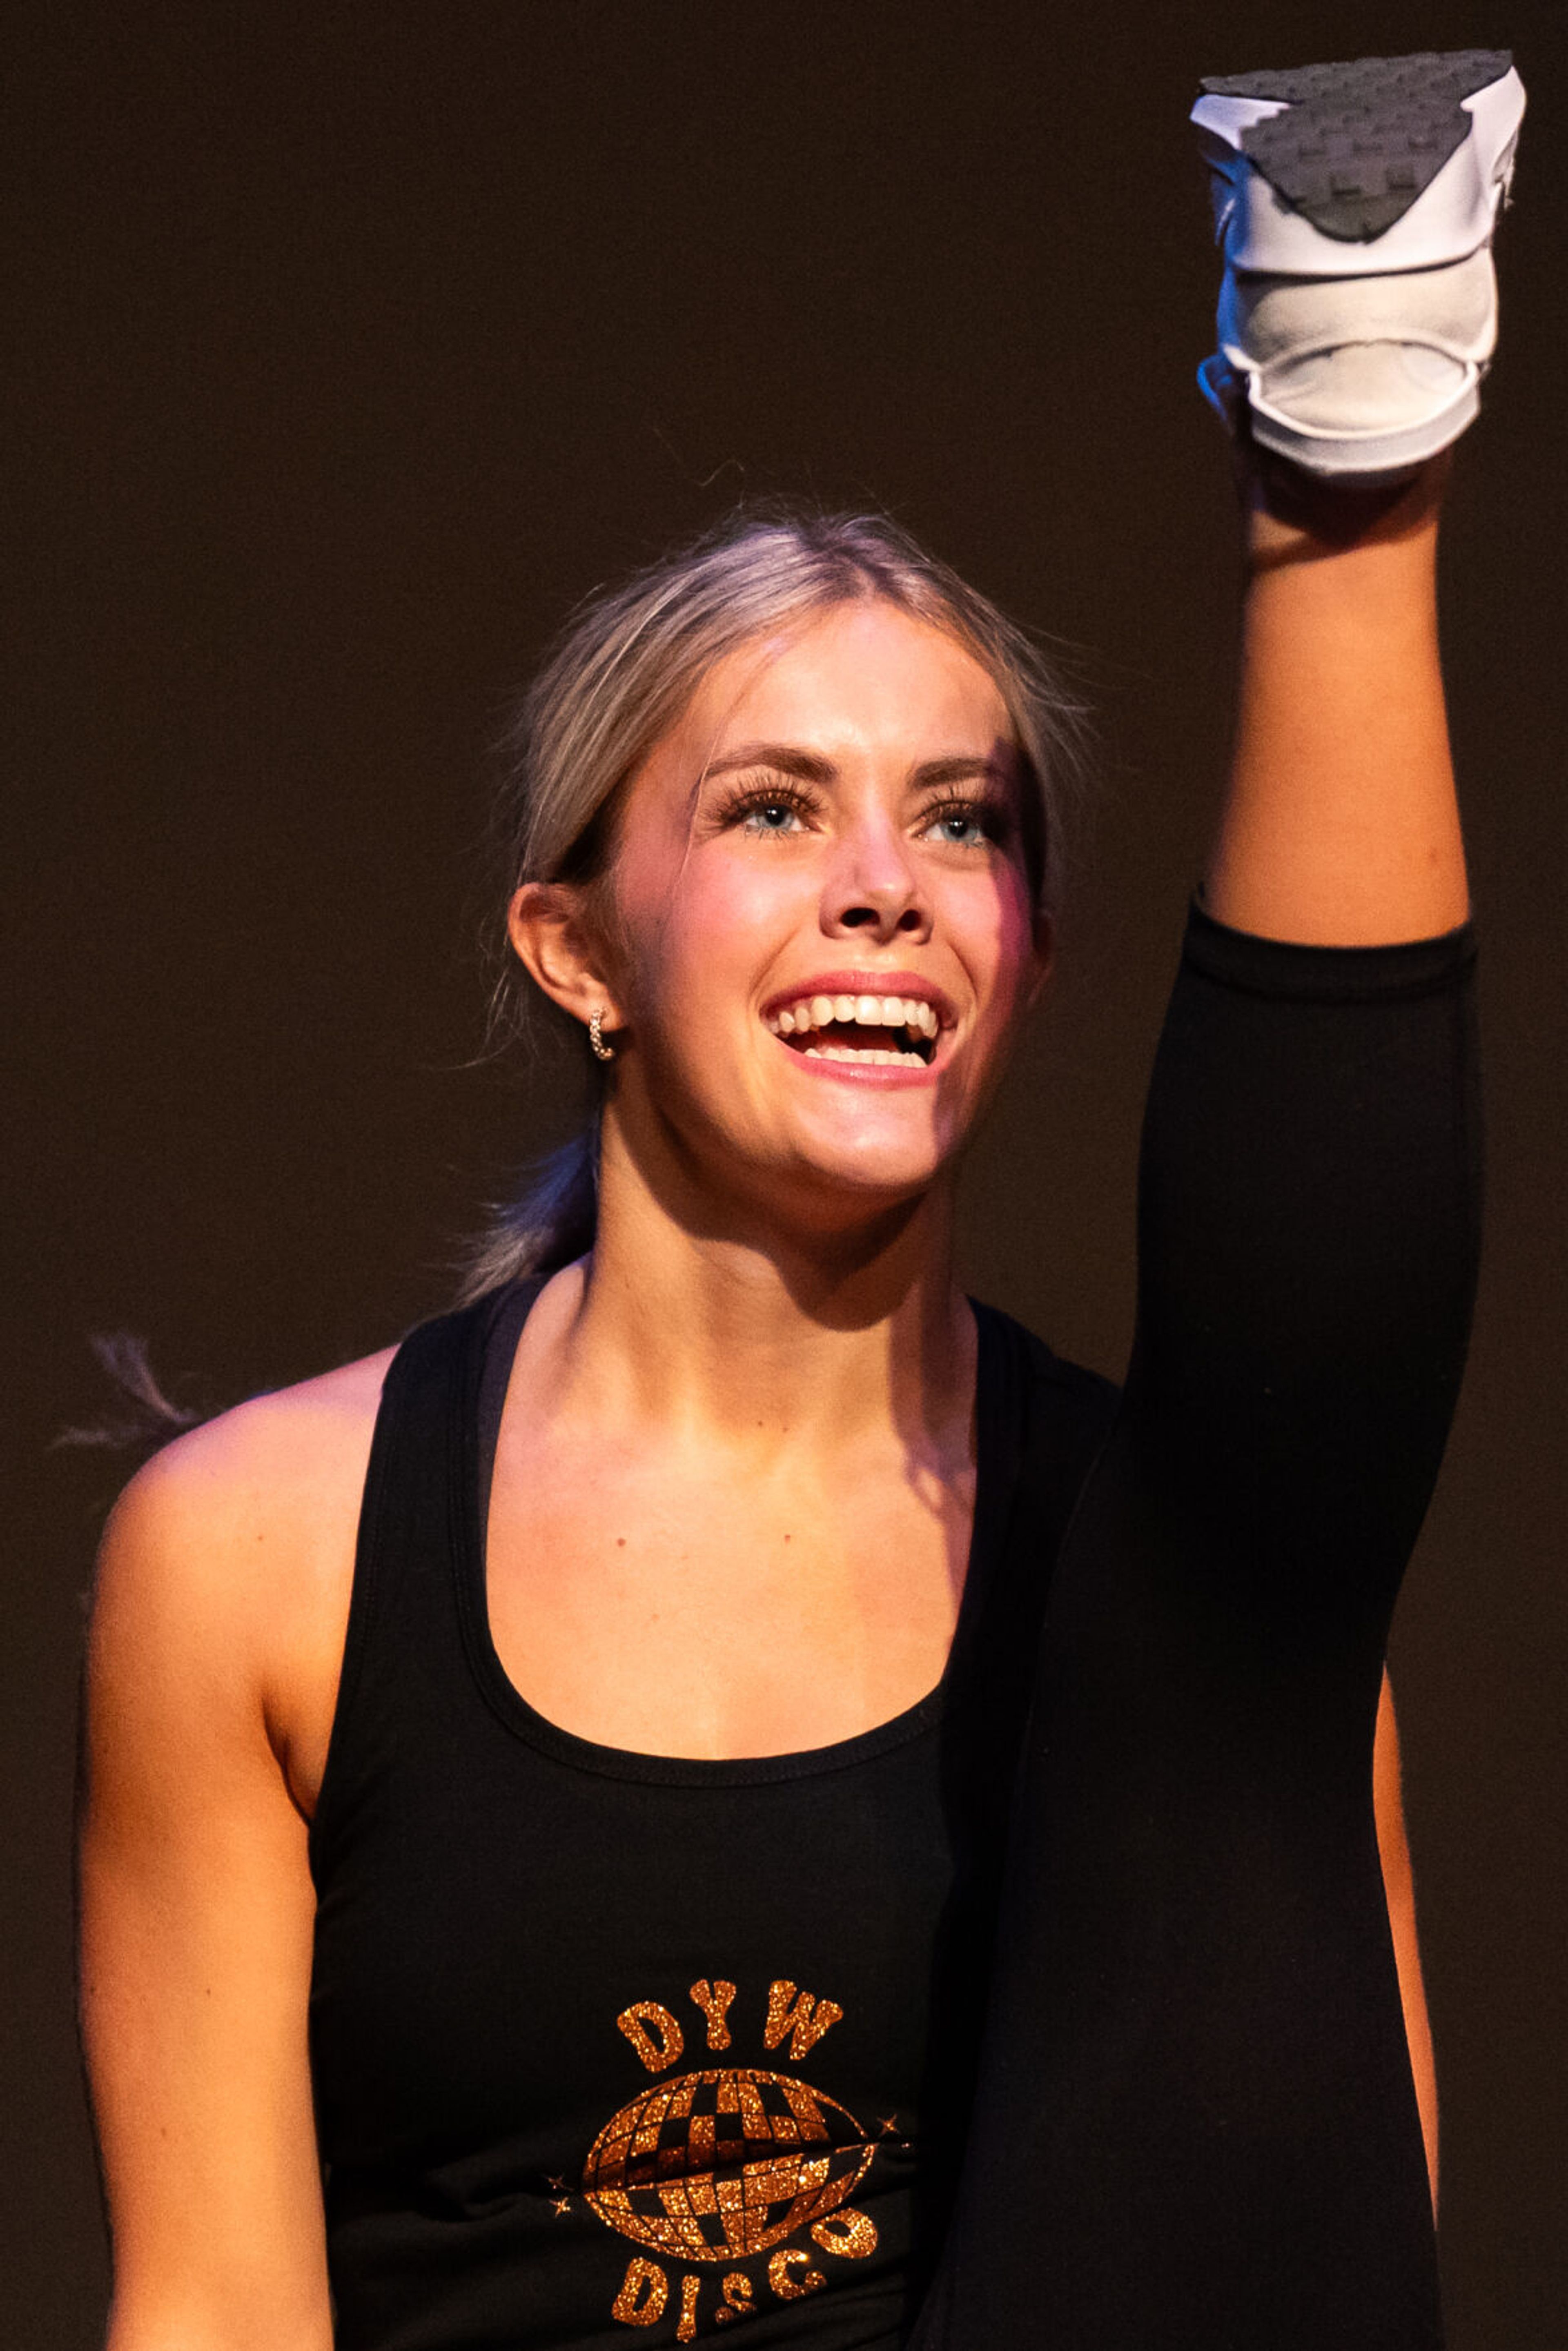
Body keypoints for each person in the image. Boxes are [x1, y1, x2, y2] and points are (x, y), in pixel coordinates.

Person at [76, 49, 1523, 2351]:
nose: (887, 892)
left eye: (964, 826)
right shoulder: (257, 1559)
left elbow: (1320, 2230)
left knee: (1241, 1586)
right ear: (578, 955)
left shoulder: (1185, 1597)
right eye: (773, 811)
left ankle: (1349, 456)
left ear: (1033, 956)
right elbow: (216, 2309)